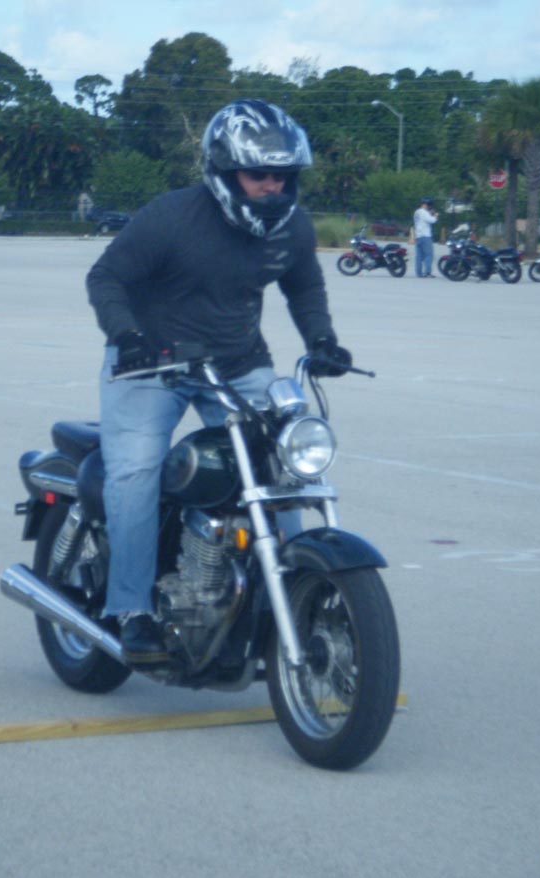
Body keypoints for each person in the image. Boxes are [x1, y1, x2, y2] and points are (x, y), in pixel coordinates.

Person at [86, 98, 352, 664]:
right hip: (152, 362)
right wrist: (127, 335)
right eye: (259, 175)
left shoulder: (291, 227)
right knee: (136, 471)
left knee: (284, 468)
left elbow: (304, 286)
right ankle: (131, 608)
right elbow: (106, 276)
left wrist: (322, 340)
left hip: (236, 361)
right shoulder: (171, 217)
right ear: (226, 172)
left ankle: (291, 590)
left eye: (284, 176)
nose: (273, 187)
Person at [413, 197, 438, 278]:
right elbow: (432, 220)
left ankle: (419, 273)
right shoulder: (424, 212)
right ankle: (427, 272)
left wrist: (430, 213)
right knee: (429, 255)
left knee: (419, 256)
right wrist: (435, 215)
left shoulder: (417, 212)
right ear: (428, 204)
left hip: (418, 236)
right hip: (426, 236)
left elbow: (423, 219)